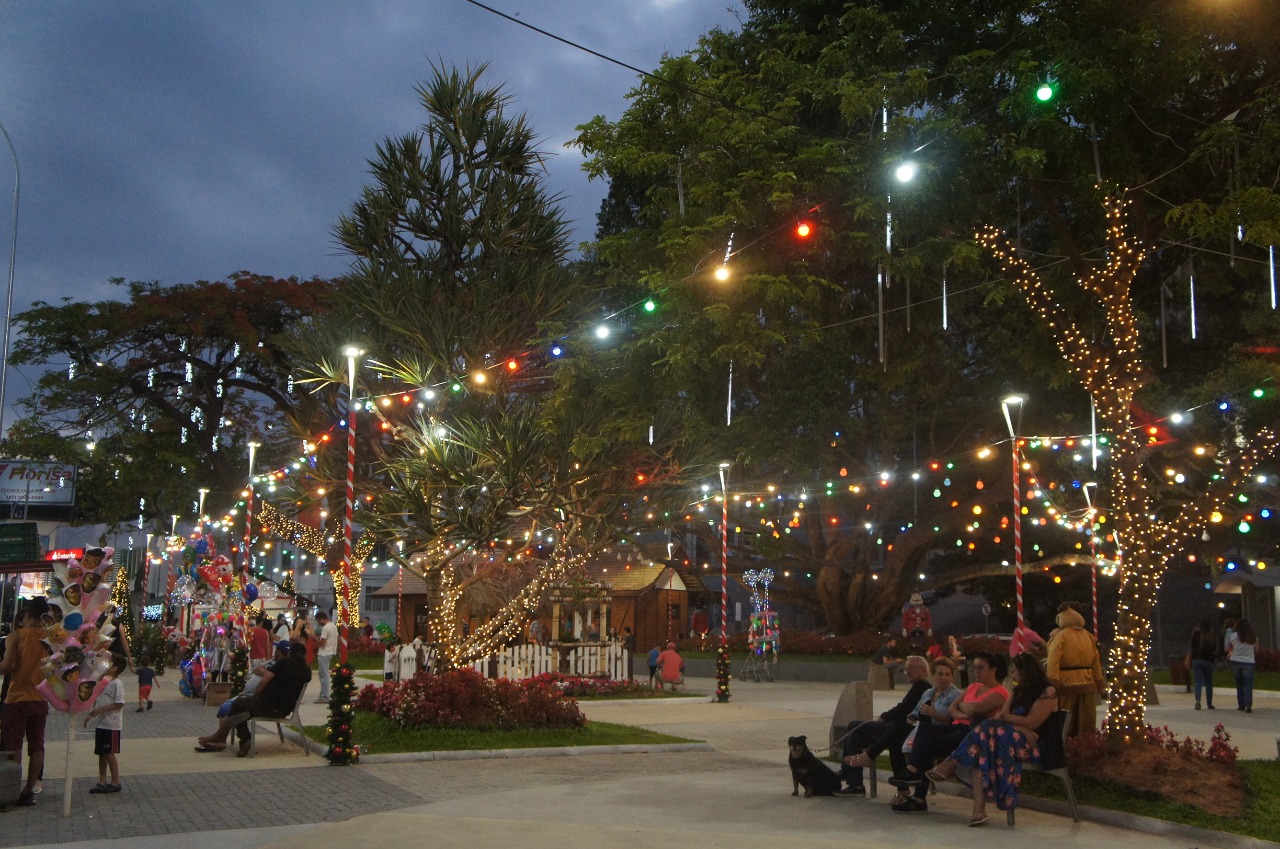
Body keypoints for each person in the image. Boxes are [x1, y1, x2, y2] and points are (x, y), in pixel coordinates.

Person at [921, 652, 1058, 826]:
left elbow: (1032, 722)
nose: (1012, 674)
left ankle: (951, 764)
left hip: (1035, 745)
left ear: (1026, 671)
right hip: (1010, 739)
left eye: (1015, 670)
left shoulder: (1048, 691)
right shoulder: (1017, 691)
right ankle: (978, 811)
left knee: (986, 728)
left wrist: (1016, 724)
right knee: (981, 747)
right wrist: (1018, 726)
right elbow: (1002, 717)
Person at [890, 651, 1010, 813]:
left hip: (972, 735)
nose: (976, 671)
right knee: (925, 730)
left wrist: (965, 709)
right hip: (955, 727)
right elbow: (954, 709)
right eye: (974, 668)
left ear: (993, 670)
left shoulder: (1000, 693)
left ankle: (918, 794)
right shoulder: (973, 687)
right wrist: (965, 711)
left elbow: (974, 709)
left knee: (926, 745)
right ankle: (913, 772)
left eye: (980, 668)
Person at [195, 641, 312, 756]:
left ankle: (241, 738)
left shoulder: (283, 664)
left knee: (238, 704)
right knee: (241, 710)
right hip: (284, 710)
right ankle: (223, 737)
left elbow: (264, 680)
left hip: (266, 705)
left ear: (290, 653)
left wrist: (256, 695)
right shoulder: (307, 671)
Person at [837, 655, 932, 794]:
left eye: (910, 668)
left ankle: (849, 773)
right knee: (854, 736)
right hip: (896, 729)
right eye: (905, 669)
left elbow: (904, 708)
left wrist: (883, 717)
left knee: (854, 725)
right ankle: (855, 783)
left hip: (901, 730)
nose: (907, 672)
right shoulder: (919, 687)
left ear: (923, 670)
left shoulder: (923, 686)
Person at [0, 597, 51, 807]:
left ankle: (11, 789)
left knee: (14, 745)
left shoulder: (16, 636)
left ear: (28, 614)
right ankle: (29, 789)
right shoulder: (50, 637)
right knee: (37, 745)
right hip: (41, 697)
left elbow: (6, 667)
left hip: (17, 696)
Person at [1045, 603, 1105, 736]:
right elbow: (1096, 663)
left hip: (1066, 685)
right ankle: (1086, 747)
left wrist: (1052, 682)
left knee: (1067, 723)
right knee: (1086, 722)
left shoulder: (1060, 636)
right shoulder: (1089, 636)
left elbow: (1053, 660)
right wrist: (1101, 685)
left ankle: (1068, 750)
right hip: (1088, 684)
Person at [84, 654, 127, 794]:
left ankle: (115, 782)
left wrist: (100, 710)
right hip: (101, 723)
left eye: (108, 663)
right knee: (101, 753)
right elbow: (97, 698)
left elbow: (119, 703)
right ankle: (102, 781)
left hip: (111, 724)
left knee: (110, 753)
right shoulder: (103, 682)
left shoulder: (117, 684)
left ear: (114, 668)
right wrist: (91, 714)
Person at [1227, 618, 1258, 713]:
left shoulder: (1233, 636)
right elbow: (1256, 651)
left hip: (1235, 661)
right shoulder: (1253, 637)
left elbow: (1229, 647)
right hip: (1249, 662)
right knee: (1248, 684)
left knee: (1239, 684)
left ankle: (1241, 705)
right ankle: (1248, 703)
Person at [1188, 617, 1218, 711]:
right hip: (1208, 661)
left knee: (1198, 682)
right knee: (1209, 682)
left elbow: (1192, 647)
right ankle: (1209, 703)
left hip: (1197, 660)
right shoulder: (1211, 635)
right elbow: (1214, 648)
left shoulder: (1195, 634)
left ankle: (1198, 701)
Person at [314, 611, 338, 703]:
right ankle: (322, 695)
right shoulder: (333, 626)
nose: (318, 623)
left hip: (324, 653)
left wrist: (316, 641)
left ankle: (324, 696)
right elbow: (337, 638)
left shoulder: (325, 628)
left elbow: (322, 642)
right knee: (323, 674)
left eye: (318, 621)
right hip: (330, 652)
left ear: (321, 619)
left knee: (323, 675)